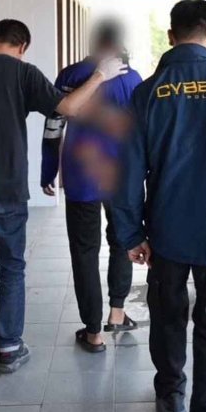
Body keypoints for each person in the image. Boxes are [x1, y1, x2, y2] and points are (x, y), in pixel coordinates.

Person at [0, 19, 128, 374]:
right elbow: (69, 109)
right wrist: (100, 76)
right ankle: (10, 346)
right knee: (12, 265)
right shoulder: (24, 73)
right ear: (22, 47)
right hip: (12, 185)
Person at [113, 0, 206, 412]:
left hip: (167, 230)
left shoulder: (147, 93)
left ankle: (170, 394)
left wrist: (131, 233)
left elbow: (126, 172)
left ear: (170, 36)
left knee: (167, 314)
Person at [40, 19, 143, 353]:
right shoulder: (133, 79)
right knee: (121, 240)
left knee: (84, 251)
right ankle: (117, 312)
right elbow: (142, 133)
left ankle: (93, 332)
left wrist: (48, 169)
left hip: (80, 175)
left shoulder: (70, 76)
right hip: (121, 176)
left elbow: (53, 126)